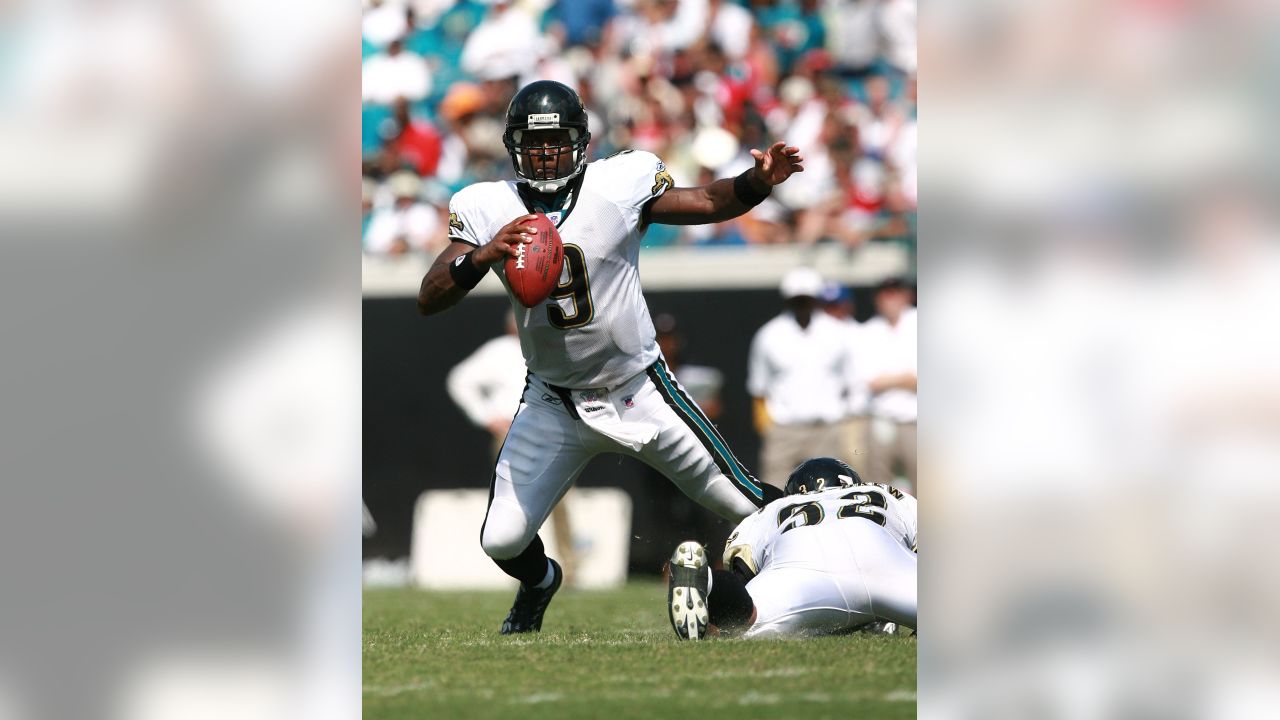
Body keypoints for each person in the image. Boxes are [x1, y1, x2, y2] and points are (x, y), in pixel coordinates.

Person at [416, 80, 804, 634]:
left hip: (638, 388)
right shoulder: (485, 205)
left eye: (558, 142)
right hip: (553, 399)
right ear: (512, 146)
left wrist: (759, 181)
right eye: (533, 143)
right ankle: (541, 582)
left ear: (583, 141)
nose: (546, 154)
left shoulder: (618, 183)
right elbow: (430, 297)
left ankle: (830, 565)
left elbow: (711, 201)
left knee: (750, 505)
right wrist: (481, 256)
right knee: (500, 539)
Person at [667, 457, 917, 640]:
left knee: (749, 621)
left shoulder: (775, 509)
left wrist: (726, 610)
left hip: (802, 556)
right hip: (879, 549)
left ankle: (707, 580)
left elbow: (742, 566)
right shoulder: (882, 492)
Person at [445, 311, 579, 583]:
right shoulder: (500, 351)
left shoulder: (550, 348)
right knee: (512, 503)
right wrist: (485, 416)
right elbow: (459, 379)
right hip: (512, 434)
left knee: (560, 500)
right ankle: (521, 566)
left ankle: (570, 567)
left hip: (551, 435)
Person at [748, 267, 859, 489]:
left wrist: (845, 421)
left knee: (833, 495)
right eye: (797, 300)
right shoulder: (769, 335)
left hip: (827, 429)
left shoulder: (837, 332)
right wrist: (768, 428)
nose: (802, 305)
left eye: (806, 299)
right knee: (774, 494)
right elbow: (758, 389)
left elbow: (851, 382)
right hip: (784, 429)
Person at [859, 277, 917, 492]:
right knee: (877, 487)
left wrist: (890, 380)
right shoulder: (867, 331)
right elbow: (870, 382)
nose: (890, 299)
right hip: (881, 418)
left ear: (906, 296)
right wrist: (905, 379)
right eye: (885, 294)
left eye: (895, 293)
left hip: (916, 420)